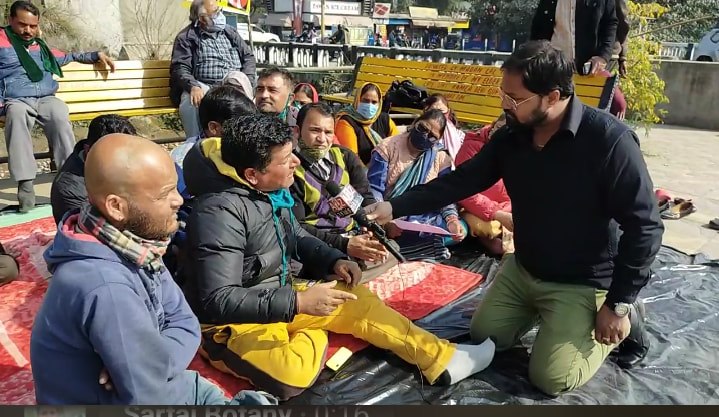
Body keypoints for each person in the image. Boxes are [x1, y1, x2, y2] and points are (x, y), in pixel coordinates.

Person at [364, 41, 662, 396]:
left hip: (583, 279)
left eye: (515, 98)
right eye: (503, 94)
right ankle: (545, 313)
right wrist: (394, 207)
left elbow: (645, 225)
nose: (505, 104)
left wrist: (619, 302)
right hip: (525, 268)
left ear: (552, 97)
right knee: (485, 336)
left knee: (551, 379)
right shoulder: (513, 136)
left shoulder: (608, 142)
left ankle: (625, 319)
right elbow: (462, 180)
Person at [179, 112, 495, 400]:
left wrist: (334, 259)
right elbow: (217, 300)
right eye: (287, 159)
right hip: (232, 324)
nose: (296, 163)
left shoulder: (270, 191)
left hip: (278, 297)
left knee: (357, 299)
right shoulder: (218, 213)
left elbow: (297, 236)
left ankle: (442, 359)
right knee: (291, 375)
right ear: (252, 174)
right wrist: (301, 304)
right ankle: (313, 330)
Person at [30, 133, 275, 406]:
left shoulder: (135, 244)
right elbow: (147, 395)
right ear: (116, 206)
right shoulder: (105, 286)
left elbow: (185, 323)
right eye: (164, 194)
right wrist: (146, 369)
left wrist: (151, 363)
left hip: (160, 385)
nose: (179, 200)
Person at [0, 0, 115, 213]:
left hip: (45, 98)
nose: (28, 30)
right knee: (16, 115)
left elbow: (67, 56)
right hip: (16, 100)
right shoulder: (1, 41)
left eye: (33, 26)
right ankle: (25, 188)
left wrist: (94, 56)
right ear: (10, 21)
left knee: (59, 110)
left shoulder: (40, 46)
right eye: (22, 25)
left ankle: (70, 176)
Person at [290, 103, 388, 266]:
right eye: (315, 130)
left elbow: (366, 196)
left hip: (354, 235)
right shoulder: (290, 169)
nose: (322, 139)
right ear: (297, 131)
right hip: (318, 246)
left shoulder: (344, 156)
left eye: (328, 132)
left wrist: (369, 225)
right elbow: (296, 226)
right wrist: (344, 245)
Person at [367, 109, 467, 262]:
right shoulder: (387, 147)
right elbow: (374, 189)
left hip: (422, 218)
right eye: (423, 128)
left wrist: (452, 220)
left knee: (460, 229)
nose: (425, 135)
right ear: (415, 123)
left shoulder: (440, 157)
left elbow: (445, 194)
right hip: (389, 212)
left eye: (433, 136)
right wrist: (387, 222)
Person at [170, 0, 256, 138]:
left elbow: (248, 57)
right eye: (216, 13)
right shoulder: (186, 37)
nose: (220, 15)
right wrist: (193, 86)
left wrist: (248, 79)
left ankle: (246, 138)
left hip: (232, 83)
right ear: (202, 18)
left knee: (239, 81)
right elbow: (180, 67)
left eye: (219, 11)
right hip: (204, 85)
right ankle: (194, 142)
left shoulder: (229, 32)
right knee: (191, 99)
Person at [530, 0, 627, 119]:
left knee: (618, 105)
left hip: (589, 68)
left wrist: (602, 57)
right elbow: (537, 29)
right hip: (555, 69)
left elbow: (611, 23)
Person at [50, 114, 137, 224]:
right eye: (115, 155)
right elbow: (94, 231)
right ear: (88, 150)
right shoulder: (70, 190)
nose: (124, 161)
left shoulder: (127, 161)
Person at [456, 117, 512, 256]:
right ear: (493, 125)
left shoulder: (515, 150)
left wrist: (505, 211)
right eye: (498, 128)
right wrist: (496, 213)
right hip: (474, 209)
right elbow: (464, 191)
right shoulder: (471, 147)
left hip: (505, 208)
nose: (500, 134)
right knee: (491, 234)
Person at [334, 82, 399, 165]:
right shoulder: (346, 122)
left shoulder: (384, 119)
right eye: (365, 101)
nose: (369, 105)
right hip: (359, 172)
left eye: (374, 102)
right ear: (358, 100)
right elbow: (351, 158)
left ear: (379, 103)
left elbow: (397, 145)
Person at [423, 93, 465, 166]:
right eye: (433, 111)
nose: (438, 115)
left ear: (448, 111)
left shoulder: (460, 136)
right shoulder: (419, 131)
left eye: (441, 111)